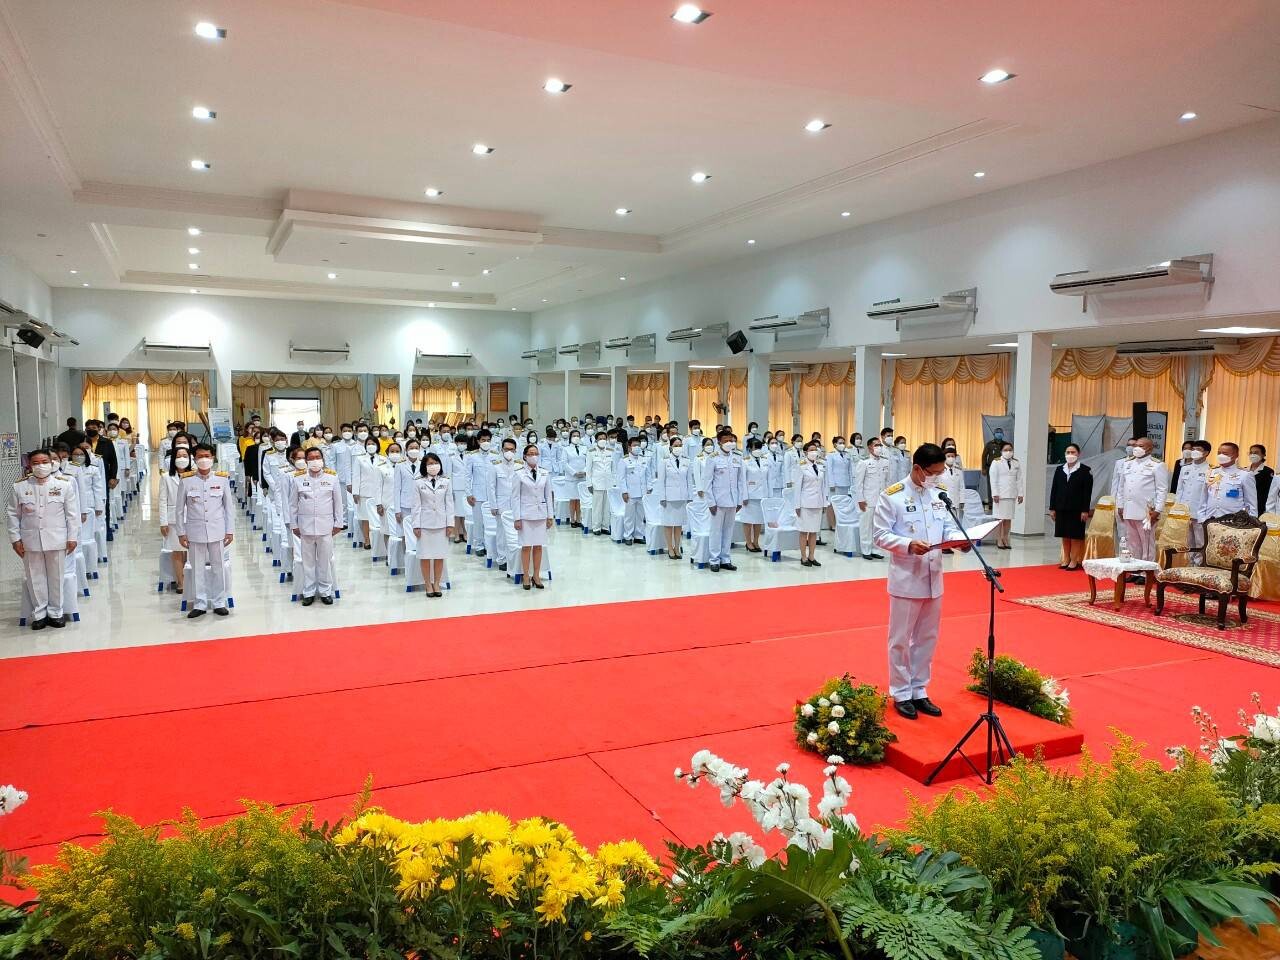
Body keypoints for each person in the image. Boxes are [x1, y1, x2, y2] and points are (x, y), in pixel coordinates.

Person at [873, 443, 969, 720]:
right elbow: (879, 535)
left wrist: (960, 539)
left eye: (940, 473)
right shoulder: (892, 497)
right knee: (901, 639)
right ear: (917, 468)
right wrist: (907, 544)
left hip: (933, 577)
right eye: (933, 472)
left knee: (927, 638)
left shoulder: (939, 494)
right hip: (906, 578)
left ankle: (919, 689)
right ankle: (901, 692)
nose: (937, 478)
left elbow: (948, 525)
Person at [8, 449, 78, 630]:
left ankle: (56, 612)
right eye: (36, 463)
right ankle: (39, 614)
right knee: (34, 577)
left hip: (57, 538)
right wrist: (15, 539)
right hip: (30, 539)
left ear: (52, 463)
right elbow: (13, 515)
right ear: (29, 465)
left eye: (45, 461)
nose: (41, 466)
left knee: (56, 576)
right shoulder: (20, 487)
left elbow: (72, 515)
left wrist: (72, 537)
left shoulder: (64, 485)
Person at [175, 442, 234, 618]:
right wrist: (181, 532)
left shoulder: (222, 479)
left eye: (207, 456)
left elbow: (229, 508)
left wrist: (229, 530)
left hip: (217, 531)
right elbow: (179, 510)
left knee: (218, 567)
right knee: (197, 568)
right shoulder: (186, 480)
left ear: (213, 458)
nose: (203, 460)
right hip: (195, 531)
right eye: (200, 456)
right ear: (194, 459)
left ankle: (219, 602)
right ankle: (199, 603)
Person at [290, 447, 343, 605]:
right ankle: (309, 592)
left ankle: (326, 590)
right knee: (308, 562)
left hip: (326, 526)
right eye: (311, 458)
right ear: (306, 461)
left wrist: (338, 523)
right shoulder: (298, 478)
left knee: (324, 561)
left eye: (317, 457)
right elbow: (292, 504)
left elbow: (338, 503)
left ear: (322, 459)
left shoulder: (332, 477)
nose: (315, 460)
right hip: (305, 527)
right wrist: (294, 524)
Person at [1112, 436, 1169, 561]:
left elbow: (1162, 490)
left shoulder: (1157, 465)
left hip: (1146, 511)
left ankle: (1145, 572)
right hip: (1128, 509)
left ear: (1149, 449)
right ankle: (1135, 568)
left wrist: (1158, 510)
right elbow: (1121, 487)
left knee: (1147, 543)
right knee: (1132, 541)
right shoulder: (1127, 464)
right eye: (1136, 445)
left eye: (1141, 446)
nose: (1136, 448)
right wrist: (1120, 506)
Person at [701, 430, 745, 572]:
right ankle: (714, 559)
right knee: (716, 531)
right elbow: (707, 482)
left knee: (728, 531)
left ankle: (725, 558)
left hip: (732, 501)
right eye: (725, 441)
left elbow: (740, 481)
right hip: (718, 502)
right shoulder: (713, 458)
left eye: (731, 440)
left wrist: (739, 500)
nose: (729, 443)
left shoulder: (738, 457)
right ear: (719, 442)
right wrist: (710, 502)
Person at [511, 444, 553, 590]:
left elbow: (548, 495)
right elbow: (515, 497)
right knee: (526, 546)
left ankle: (536, 575)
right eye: (530, 453)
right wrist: (517, 518)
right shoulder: (518, 473)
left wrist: (550, 516)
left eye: (536, 453)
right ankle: (526, 576)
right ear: (525, 456)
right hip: (525, 515)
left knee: (539, 546)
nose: (533, 456)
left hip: (541, 514)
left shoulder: (545, 473)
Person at [412, 452, 452, 597]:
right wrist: (416, 525)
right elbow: (415, 506)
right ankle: (428, 584)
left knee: (439, 555)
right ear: (424, 466)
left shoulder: (446, 481)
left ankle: (437, 584)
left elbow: (450, 504)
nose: (433, 466)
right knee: (425, 556)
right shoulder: (418, 482)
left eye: (435, 463)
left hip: (441, 523)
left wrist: (450, 524)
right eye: (429, 464)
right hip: (425, 524)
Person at [1049, 443, 1093, 570]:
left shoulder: (1085, 470)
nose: (1070, 455)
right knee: (1064, 534)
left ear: (1078, 454)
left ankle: (1074, 560)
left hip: (1077, 509)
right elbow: (1054, 489)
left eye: (1073, 452)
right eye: (1068, 452)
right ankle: (1066, 559)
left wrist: (1085, 510)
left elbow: (1087, 493)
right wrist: (1052, 508)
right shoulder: (1059, 469)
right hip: (1061, 507)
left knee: (1075, 535)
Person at [1199, 442, 1257, 521]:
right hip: (1210, 519)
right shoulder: (1211, 472)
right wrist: (1202, 518)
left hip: (1233, 522)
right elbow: (1203, 498)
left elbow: (1251, 503)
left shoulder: (1245, 475)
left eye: (1225, 453)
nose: (1221, 456)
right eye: (1219, 453)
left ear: (1236, 456)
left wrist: (1252, 522)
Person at [159, 444, 189, 592]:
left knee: (189, 551)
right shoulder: (166, 477)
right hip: (172, 520)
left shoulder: (194, 475)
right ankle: (181, 582)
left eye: (185, 456)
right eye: (178, 456)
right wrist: (163, 522)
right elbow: (162, 500)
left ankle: (189, 578)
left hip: (191, 518)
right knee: (177, 551)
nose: (182, 459)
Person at [854, 436, 891, 560]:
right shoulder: (863, 462)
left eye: (880, 445)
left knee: (877, 526)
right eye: (876, 445)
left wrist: (887, 498)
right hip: (867, 499)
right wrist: (860, 499)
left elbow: (886, 482)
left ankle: (875, 549)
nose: (879, 447)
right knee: (866, 526)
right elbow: (858, 483)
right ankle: (866, 550)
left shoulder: (885, 461)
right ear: (869, 447)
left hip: (881, 500)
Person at [658, 437, 693, 559]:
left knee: (678, 525)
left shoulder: (687, 461)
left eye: (680, 445)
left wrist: (690, 497)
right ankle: (670, 548)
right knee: (668, 524)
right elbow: (661, 480)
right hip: (668, 497)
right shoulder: (665, 461)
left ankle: (677, 548)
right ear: (671, 447)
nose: (679, 447)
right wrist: (662, 497)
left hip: (681, 497)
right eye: (676, 445)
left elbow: (689, 480)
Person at [988, 440, 1026, 550]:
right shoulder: (996, 462)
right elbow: (993, 479)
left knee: (1008, 518)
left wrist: (1020, 494)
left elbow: (1019, 479)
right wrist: (994, 493)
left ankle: (1005, 538)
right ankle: (999, 539)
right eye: (1005, 450)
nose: (1008, 452)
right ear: (1001, 451)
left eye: (1010, 450)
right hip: (1000, 495)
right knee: (1000, 519)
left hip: (1011, 494)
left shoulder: (1016, 463)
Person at [1174, 440, 1212, 548]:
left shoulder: (1210, 470)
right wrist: (1178, 508)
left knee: (1200, 541)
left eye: (1198, 450)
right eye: (1193, 449)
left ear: (1206, 453)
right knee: (1187, 540)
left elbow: (1210, 493)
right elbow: (1179, 490)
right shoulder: (1185, 468)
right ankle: (1190, 562)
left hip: (1200, 511)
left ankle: (1199, 563)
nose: (1194, 452)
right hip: (1185, 510)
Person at [794, 441, 826, 567]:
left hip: (817, 502)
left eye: (815, 449)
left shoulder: (821, 465)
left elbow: (823, 486)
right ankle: (803, 557)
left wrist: (824, 503)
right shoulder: (801, 466)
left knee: (814, 531)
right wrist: (797, 505)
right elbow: (797, 487)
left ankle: (812, 556)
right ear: (805, 452)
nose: (814, 452)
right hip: (805, 503)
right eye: (811, 449)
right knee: (804, 531)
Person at [352, 433, 385, 550]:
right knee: (365, 518)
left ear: (377, 445)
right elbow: (356, 476)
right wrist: (355, 492)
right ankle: (367, 540)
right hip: (364, 492)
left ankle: (379, 541)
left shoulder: (383, 459)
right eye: (369, 444)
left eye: (373, 444)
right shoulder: (360, 459)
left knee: (378, 518)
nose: (371, 446)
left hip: (379, 493)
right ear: (365, 446)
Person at [740, 439, 769, 553]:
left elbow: (767, 479)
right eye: (755, 448)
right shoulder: (745, 461)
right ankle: (748, 542)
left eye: (759, 447)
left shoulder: (765, 460)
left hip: (762, 495)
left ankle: (756, 541)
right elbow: (742, 480)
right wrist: (744, 496)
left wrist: (768, 495)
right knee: (748, 520)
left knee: (758, 520)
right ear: (749, 449)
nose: (757, 450)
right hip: (750, 495)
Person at [619, 436, 648, 545]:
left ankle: (638, 535)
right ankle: (628, 536)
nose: (637, 447)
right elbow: (621, 478)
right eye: (634, 445)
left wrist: (648, 489)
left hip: (642, 492)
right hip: (630, 492)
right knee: (629, 516)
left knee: (640, 516)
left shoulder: (644, 459)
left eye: (638, 445)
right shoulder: (624, 460)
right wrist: (624, 492)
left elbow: (648, 475)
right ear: (629, 447)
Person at [586, 431, 615, 536]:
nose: (602, 440)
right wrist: (589, 484)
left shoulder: (611, 451)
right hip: (597, 483)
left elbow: (613, 469)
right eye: (600, 439)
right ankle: (596, 527)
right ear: (596, 440)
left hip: (608, 483)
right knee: (597, 506)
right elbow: (588, 470)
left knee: (607, 506)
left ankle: (605, 526)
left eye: (604, 438)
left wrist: (614, 483)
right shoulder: (591, 452)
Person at [1248, 444, 1274, 513]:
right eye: (1251, 452)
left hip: (1260, 506)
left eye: (1256, 453)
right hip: (1245, 505)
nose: (1253, 455)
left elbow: (1269, 492)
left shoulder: (1268, 471)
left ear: (1263, 455)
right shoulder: (1244, 471)